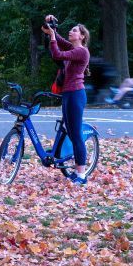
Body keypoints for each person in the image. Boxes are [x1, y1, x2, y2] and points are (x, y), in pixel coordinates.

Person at [42, 15, 91, 184]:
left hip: (76, 94)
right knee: (70, 132)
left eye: (75, 30)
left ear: (82, 36)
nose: (71, 31)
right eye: (71, 30)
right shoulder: (73, 47)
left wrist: (53, 36)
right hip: (68, 94)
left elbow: (57, 54)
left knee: (76, 135)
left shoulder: (81, 51)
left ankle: (82, 176)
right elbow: (56, 37)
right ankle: (73, 168)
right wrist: (49, 23)